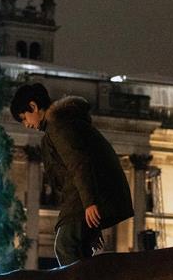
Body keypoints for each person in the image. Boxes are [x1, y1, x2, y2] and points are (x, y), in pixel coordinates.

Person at [11, 83, 134, 266]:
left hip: (83, 196)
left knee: (65, 244)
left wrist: (90, 203)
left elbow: (79, 163)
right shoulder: (62, 124)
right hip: (82, 195)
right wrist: (91, 226)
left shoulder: (58, 125)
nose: (26, 124)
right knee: (76, 246)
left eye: (24, 118)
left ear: (34, 106)